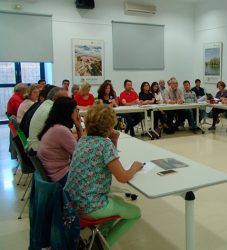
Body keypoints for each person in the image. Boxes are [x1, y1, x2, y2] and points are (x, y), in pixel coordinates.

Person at [64, 105, 143, 247]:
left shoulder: (83, 140)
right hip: (90, 207)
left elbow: (108, 158)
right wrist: (134, 167)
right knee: (135, 212)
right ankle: (101, 247)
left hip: (72, 201)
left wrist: (113, 140)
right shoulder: (104, 145)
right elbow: (123, 177)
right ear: (110, 125)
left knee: (116, 200)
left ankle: (103, 235)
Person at [37, 97, 79, 187]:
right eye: (76, 110)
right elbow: (81, 154)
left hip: (53, 171)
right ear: (68, 112)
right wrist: (78, 126)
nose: (77, 113)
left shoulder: (53, 126)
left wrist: (78, 126)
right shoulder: (61, 130)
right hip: (61, 175)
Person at [28, 87, 75, 151]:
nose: (68, 101)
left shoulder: (46, 104)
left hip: (36, 146)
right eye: (65, 98)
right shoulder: (51, 110)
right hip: (39, 150)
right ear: (54, 98)